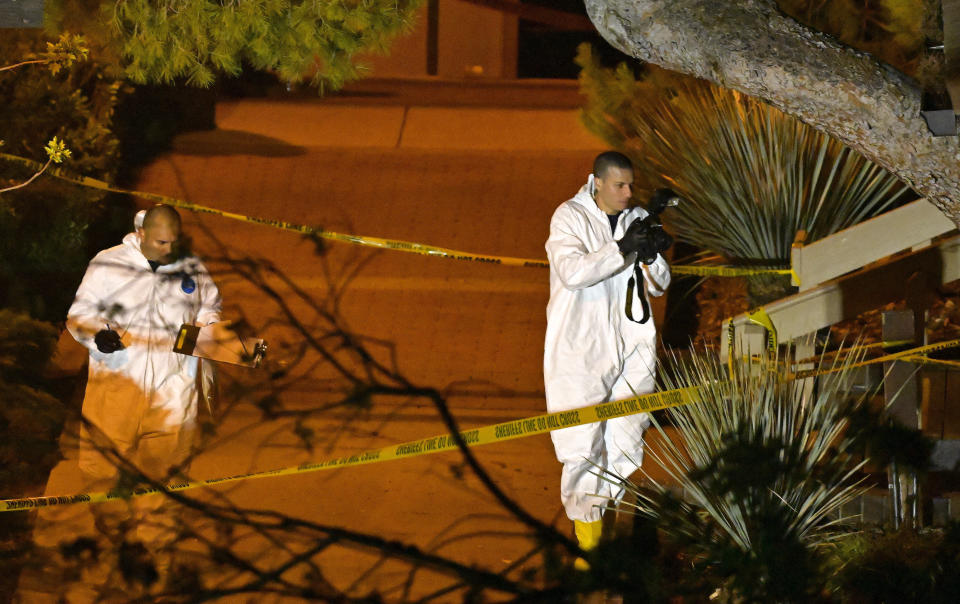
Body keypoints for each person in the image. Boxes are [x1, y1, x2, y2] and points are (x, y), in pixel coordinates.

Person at [543, 151, 671, 568]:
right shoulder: (569, 218)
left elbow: (660, 285)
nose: (628, 193)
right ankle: (588, 545)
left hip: (632, 344)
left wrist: (649, 254)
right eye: (619, 185)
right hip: (581, 348)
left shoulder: (636, 218)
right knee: (581, 446)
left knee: (625, 439)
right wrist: (621, 249)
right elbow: (573, 273)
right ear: (595, 181)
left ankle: (607, 529)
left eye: (631, 185)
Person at [66, 204, 221, 543]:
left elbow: (210, 306)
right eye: (161, 243)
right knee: (103, 470)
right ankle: (112, 532)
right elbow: (80, 312)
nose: (169, 250)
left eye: (173, 243)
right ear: (141, 235)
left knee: (167, 475)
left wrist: (210, 329)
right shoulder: (108, 264)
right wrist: (97, 335)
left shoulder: (191, 267)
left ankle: (155, 550)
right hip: (117, 387)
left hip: (172, 391)